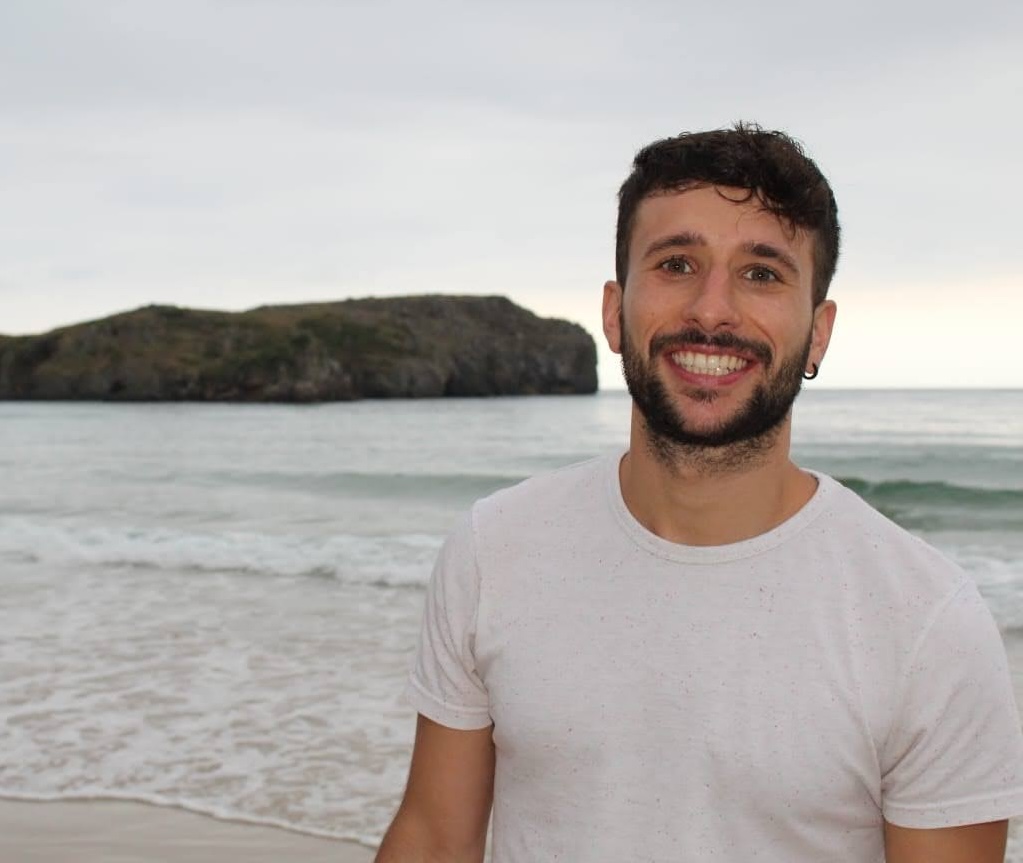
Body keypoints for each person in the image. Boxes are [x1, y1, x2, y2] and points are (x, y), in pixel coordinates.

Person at [375, 124, 1023, 862]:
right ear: (614, 312)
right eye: (676, 263)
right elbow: (432, 835)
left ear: (818, 332)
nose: (712, 310)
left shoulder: (923, 620)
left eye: (762, 273)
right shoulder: (495, 548)